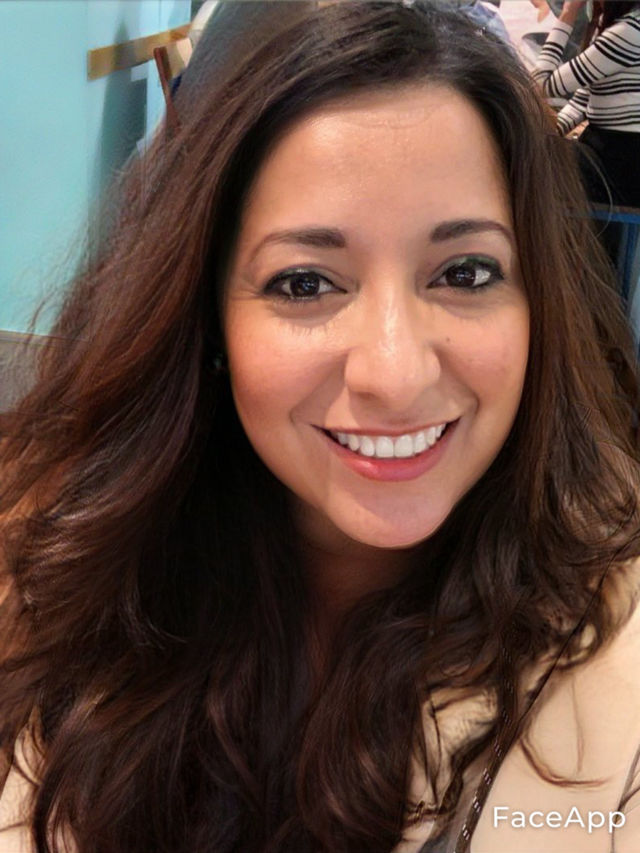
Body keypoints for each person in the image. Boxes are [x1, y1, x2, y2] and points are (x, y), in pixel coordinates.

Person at [1, 2, 640, 851]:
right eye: (305, 283)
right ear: (206, 317)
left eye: (464, 272)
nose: (395, 375)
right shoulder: (69, 576)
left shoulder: (616, 669)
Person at [532, 0, 640, 206]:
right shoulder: (621, 27)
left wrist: (567, 14)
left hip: (622, 157)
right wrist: (548, 132)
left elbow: (540, 85)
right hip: (610, 149)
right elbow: (582, 101)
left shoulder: (627, 32)